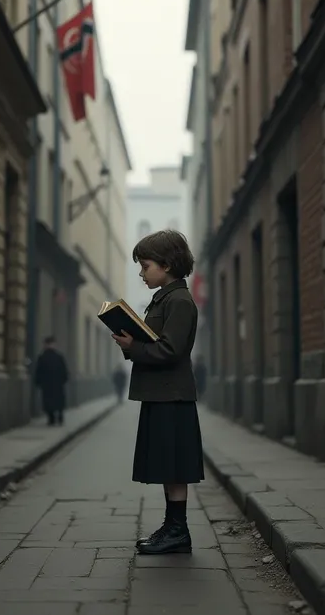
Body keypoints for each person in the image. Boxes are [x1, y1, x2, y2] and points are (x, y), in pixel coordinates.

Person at [113, 229, 204, 556]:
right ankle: (173, 527)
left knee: (175, 465)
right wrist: (134, 343)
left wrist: (133, 346)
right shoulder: (168, 296)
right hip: (163, 394)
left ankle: (178, 532)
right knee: (169, 464)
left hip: (172, 395)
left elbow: (170, 350)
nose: (141, 273)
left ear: (166, 264)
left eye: (145, 265)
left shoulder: (178, 300)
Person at [34, 336, 69, 426]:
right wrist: (63, 380)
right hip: (57, 384)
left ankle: (52, 419)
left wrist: (38, 382)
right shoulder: (59, 357)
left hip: (47, 385)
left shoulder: (42, 357)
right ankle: (59, 417)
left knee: (48, 402)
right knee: (58, 402)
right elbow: (64, 371)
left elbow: (38, 371)